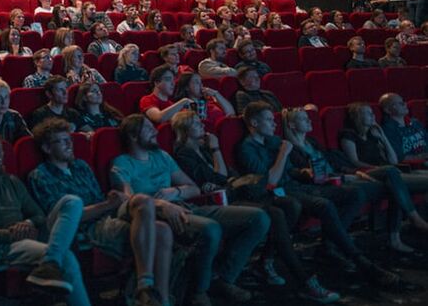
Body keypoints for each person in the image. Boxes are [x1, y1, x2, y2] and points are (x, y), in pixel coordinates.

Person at [171, 111, 341, 303]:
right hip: (221, 201)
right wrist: (216, 149)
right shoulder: (184, 153)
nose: (202, 125)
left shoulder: (203, 149)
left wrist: (213, 152)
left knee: (290, 205)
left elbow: (224, 176)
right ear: (184, 130)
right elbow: (217, 179)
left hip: (239, 193)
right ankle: (303, 279)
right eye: (195, 123)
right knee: (275, 214)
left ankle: (264, 262)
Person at [112, 114, 270, 305]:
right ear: (133, 136)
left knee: (259, 218)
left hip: (187, 206)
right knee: (211, 229)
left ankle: (223, 278)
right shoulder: (122, 163)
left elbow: (193, 188)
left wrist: (174, 191)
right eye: (148, 128)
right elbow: (130, 202)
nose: (155, 131)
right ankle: (199, 292)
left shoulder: (162, 156)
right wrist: (161, 204)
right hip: (158, 216)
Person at [238, 102, 399, 286]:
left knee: (354, 194)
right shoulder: (247, 148)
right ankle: (360, 260)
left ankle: (329, 247)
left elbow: (290, 172)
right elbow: (270, 182)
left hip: (298, 186)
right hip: (278, 193)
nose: (274, 124)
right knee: (324, 205)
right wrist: (283, 153)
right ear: (254, 123)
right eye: (268, 120)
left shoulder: (273, 141)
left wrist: (306, 172)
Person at [29, 118, 171, 306]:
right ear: (47, 148)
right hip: (87, 228)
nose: (69, 144)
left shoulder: (81, 166)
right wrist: (107, 205)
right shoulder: (40, 175)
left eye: (69, 139)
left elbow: (99, 199)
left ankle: (155, 294)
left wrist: (110, 200)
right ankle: (147, 292)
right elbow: (65, 219)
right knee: (160, 231)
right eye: (62, 141)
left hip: (106, 216)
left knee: (145, 203)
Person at [0, 131, 91, 305]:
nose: (1, 154)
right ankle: (52, 261)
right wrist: (11, 234)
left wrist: (28, 222)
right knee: (67, 257)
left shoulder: (12, 181)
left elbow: (39, 215)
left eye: (1, 149)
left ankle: (50, 263)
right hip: (5, 245)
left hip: (33, 233)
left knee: (72, 201)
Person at [283, 106, 428, 254]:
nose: (308, 120)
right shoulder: (292, 149)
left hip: (346, 176)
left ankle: (400, 233)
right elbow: (312, 176)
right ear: (292, 125)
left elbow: (336, 164)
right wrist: (347, 176)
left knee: (393, 180)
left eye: (308, 117)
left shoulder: (312, 142)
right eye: (303, 118)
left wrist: (355, 173)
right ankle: (404, 228)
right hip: (333, 183)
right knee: (393, 182)